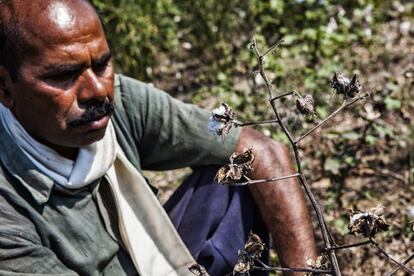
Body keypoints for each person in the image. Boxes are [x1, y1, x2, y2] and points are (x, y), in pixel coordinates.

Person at [0, 0, 317, 275]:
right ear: (5, 88)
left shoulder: (123, 103)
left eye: (102, 64)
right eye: (62, 75)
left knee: (234, 174)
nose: (97, 90)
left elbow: (258, 149)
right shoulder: (7, 207)